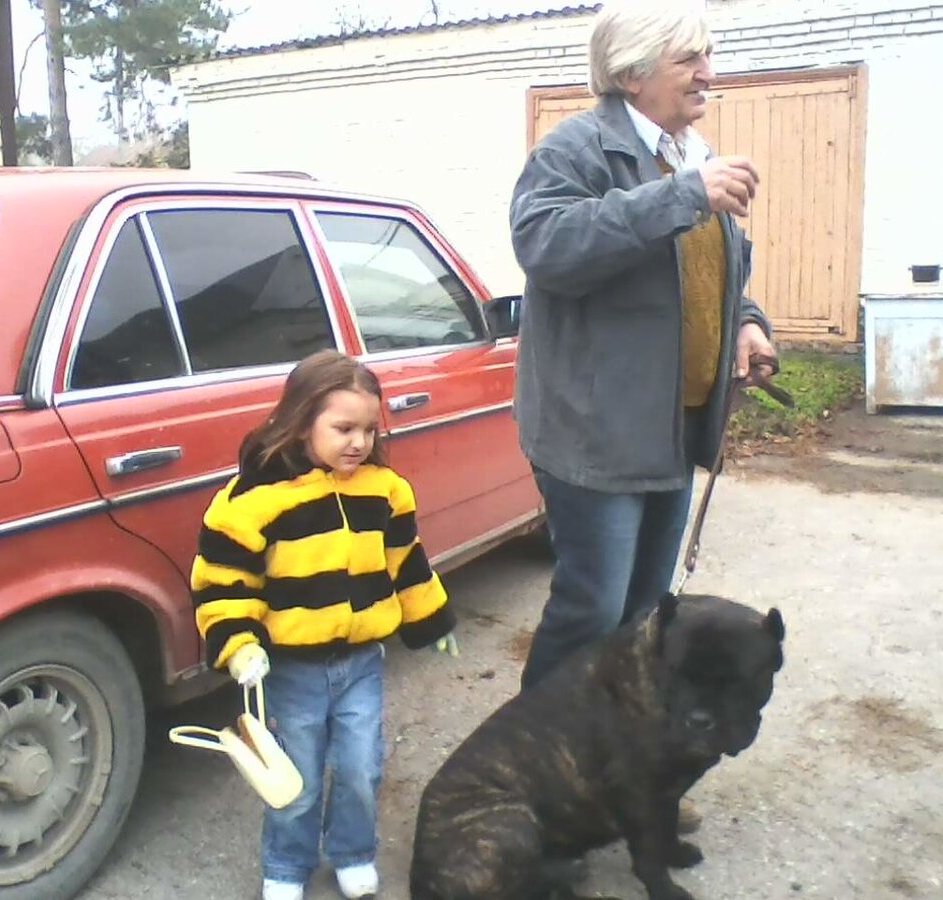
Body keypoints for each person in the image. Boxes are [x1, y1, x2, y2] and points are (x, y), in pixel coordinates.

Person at [509, 0, 778, 699]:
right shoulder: (574, 150)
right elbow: (546, 246)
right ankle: (531, 774)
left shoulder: (694, 158)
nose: (706, 74)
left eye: (706, 57)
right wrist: (681, 198)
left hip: (672, 427)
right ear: (631, 75)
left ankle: (615, 773)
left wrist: (748, 323)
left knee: (643, 616)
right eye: (688, 59)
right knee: (592, 609)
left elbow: (719, 272)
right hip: (595, 433)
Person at [190, 349, 458, 900]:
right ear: (300, 419)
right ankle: (286, 866)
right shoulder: (253, 501)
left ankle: (353, 852)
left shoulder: (384, 490)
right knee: (298, 779)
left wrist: (430, 620)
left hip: (362, 660)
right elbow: (222, 580)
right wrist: (239, 644)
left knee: (362, 766)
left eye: (367, 429)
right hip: (291, 669)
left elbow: (405, 559)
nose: (358, 442)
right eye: (342, 428)